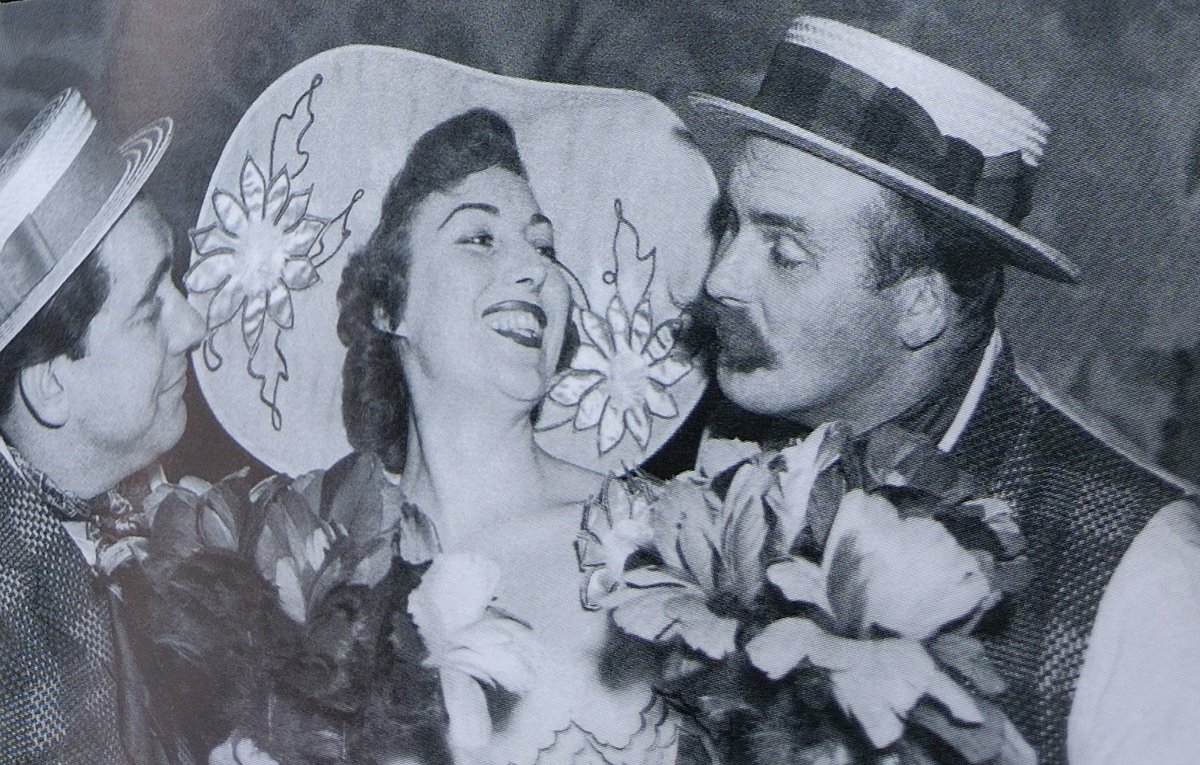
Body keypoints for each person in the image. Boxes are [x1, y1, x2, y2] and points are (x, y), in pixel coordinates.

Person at [675, 15, 1200, 765]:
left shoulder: (1151, 582)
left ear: (921, 305)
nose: (719, 279)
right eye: (731, 224)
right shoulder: (705, 449)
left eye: (784, 251)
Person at [0, 89, 204, 763]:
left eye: (174, 280)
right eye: (150, 309)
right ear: (52, 385)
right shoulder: (14, 640)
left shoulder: (120, 501)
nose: (193, 326)